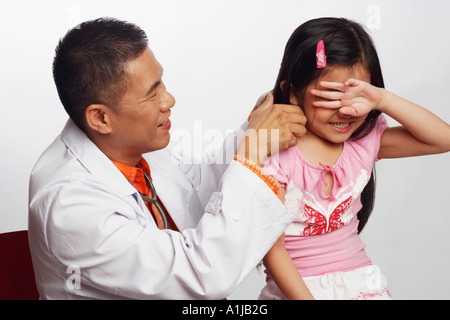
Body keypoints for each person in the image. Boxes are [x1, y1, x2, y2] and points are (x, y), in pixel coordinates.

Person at [27, 17, 308, 299]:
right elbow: (202, 277)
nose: (169, 100)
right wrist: (252, 153)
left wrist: (261, 123)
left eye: (162, 82)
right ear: (100, 118)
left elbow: (200, 185)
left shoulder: (127, 143)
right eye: (152, 94)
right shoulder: (70, 205)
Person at [258, 17, 450, 300]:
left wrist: (382, 99)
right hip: (296, 291)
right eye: (332, 97)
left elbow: (442, 138)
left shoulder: (363, 142)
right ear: (294, 93)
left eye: (357, 97)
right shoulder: (274, 153)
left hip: (361, 285)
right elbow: (273, 250)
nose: (347, 112)